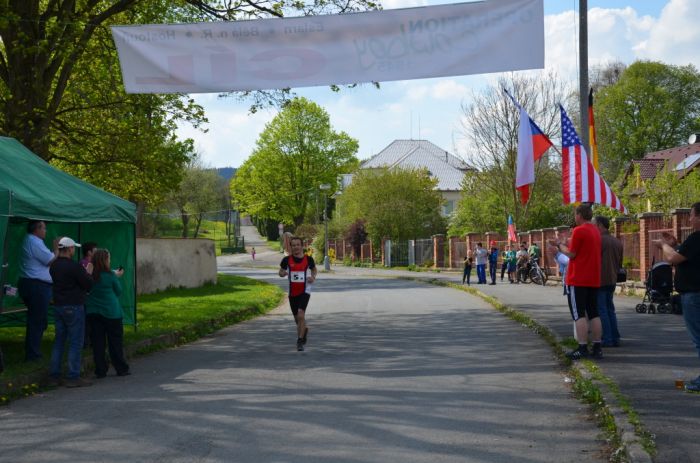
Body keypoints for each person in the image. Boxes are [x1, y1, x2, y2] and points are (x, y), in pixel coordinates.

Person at [653, 201, 700, 393]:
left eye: (691, 215)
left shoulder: (696, 238)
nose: (689, 218)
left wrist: (665, 245)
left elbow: (672, 259)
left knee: (698, 337)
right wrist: (675, 245)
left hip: (694, 295)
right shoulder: (694, 241)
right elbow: (687, 256)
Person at [554, 204, 603, 360]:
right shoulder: (595, 230)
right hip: (593, 278)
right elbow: (582, 247)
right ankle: (597, 346)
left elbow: (572, 254)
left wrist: (559, 245)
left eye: (575, 215)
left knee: (579, 314)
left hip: (578, 278)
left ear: (579, 215)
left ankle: (582, 347)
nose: (574, 218)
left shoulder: (579, 230)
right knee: (594, 313)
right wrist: (566, 242)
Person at [48, 237, 93, 387]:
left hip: (59, 305)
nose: (74, 250)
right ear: (69, 249)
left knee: (59, 340)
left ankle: (54, 375)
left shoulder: (54, 266)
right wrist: (88, 273)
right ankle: (73, 376)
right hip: (74, 305)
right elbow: (87, 284)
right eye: (73, 248)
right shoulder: (74, 267)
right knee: (75, 341)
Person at [86, 249, 130, 379]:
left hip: (93, 312)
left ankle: (100, 370)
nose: (110, 260)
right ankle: (121, 368)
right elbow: (118, 291)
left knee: (98, 343)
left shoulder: (90, 276)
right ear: (105, 260)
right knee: (115, 342)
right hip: (112, 312)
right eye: (109, 258)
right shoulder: (110, 275)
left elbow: (86, 288)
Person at [18, 220, 58, 361]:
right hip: (36, 285)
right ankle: (33, 354)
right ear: (36, 229)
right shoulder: (34, 241)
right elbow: (50, 260)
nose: (45, 231)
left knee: (39, 319)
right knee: (37, 320)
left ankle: (33, 351)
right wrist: (56, 248)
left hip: (35, 284)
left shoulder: (33, 241)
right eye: (44, 228)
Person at [279, 237, 317, 351]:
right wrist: (283, 273)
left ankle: (299, 341)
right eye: (293, 245)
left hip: (305, 291)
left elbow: (314, 270)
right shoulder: (286, 260)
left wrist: (313, 277)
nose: (296, 247)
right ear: (291, 247)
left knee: (301, 315)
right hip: (292, 293)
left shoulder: (309, 259)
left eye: (298, 245)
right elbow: (280, 271)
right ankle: (304, 330)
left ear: (302, 246)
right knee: (297, 320)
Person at [594, 216, 623, 347]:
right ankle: (615, 336)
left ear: (599, 225)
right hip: (612, 278)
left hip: (600, 279)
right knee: (610, 309)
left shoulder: (598, 241)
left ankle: (607, 338)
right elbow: (619, 262)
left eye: (594, 225)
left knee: (602, 310)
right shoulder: (617, 241)